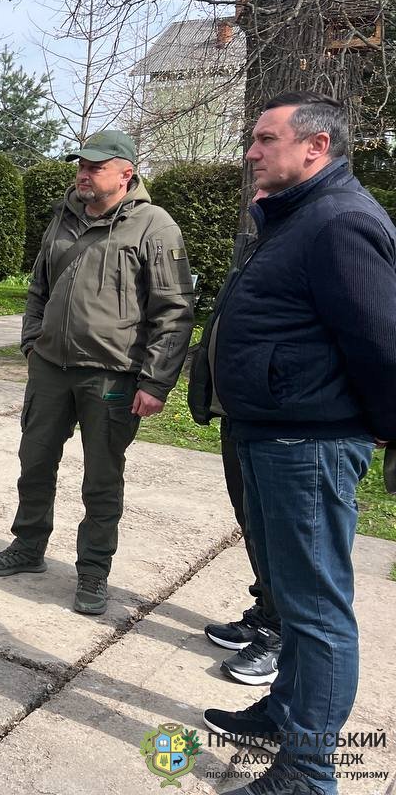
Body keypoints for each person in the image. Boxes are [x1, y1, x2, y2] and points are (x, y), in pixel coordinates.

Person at [199, 91, 396, 795]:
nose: (251, 150)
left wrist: (383, 424)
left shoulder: (340, 222)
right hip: (271, 435)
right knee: (290, 595)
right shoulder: (292, 218)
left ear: (315, 147)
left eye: (265, 139)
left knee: (315, 612)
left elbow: (382, 343)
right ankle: (286, 712)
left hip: (307, 445)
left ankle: (308, 772)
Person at [0, 129, 194, 615]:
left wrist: (156, 381)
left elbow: (174, 311)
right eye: (81, 164)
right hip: (51, 369)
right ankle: (28, 546)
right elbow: (38, 286)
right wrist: (32, 342)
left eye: (96, 166)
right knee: (34, 463)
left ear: (126, 173)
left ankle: (93, 571)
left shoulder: (154, 226)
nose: (84, 173)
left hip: (112, 376)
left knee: (101, 479)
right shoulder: (64, 215)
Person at [189, 188, 281, 688]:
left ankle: (283, 635)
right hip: (239, 414)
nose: (257, 198)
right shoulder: (258, 248)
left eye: (272, 193)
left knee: (283, 536)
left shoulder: (319, 237)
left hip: (282, 425)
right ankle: (267, 611)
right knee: (254, 523)